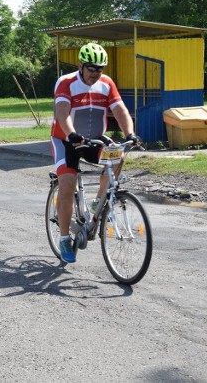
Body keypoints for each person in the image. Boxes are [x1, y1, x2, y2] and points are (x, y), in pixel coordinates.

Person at [51, 42, 139, 264]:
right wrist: (71, 134)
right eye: (91, 68)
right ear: (80, 65)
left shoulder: (107, 84)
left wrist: (130, 133)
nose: (96, 73)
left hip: (93, 140)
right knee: (68, 183)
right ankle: (63, 239)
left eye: (100, 68)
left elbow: (120, 110)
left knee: (119, 155)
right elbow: (62, 112)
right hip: (66, 140)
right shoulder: (66, 83)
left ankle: (97, 202)